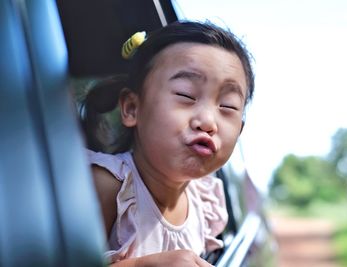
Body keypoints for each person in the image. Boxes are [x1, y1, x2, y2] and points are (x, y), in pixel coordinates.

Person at [80, 21, 255, 266]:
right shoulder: (109, 187)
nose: (207, 121)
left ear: (240, 131)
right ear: (132, 108)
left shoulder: (205, 203)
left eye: (227, 106)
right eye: (185, 95)